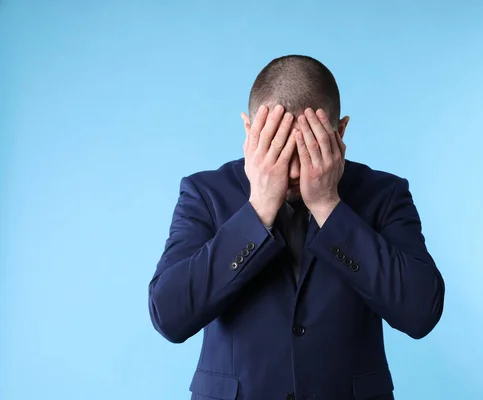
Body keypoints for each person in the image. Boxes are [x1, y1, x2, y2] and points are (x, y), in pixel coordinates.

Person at [148, 55, 445, 400]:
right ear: (249, 132)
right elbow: (169, 317)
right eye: (276, 145)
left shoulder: (384, 194)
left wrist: (328, 206)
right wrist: (258, 209)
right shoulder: (205, 193)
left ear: (341, 131)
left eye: (307, 148)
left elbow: (421, 313)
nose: (290, 171)